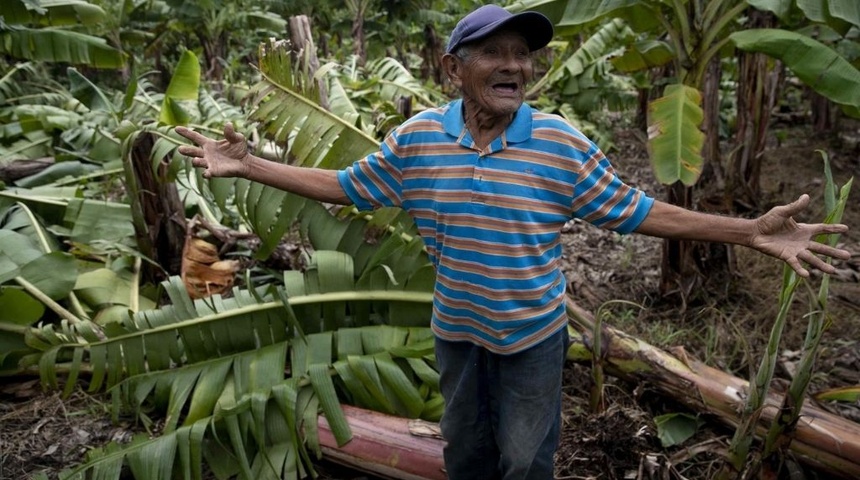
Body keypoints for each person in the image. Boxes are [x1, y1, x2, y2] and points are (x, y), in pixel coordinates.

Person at [176, 5, 850, 479]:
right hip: (458, 333)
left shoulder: (558, 143)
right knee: (466, 456)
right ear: (453, 69)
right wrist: (249, 164)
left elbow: (636, 211)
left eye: (522, 54)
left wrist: (750, 232)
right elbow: (348, 185)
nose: (513, 66)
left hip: (532, 337)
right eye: (493, 53)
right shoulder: (418, 140)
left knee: (526, 462)